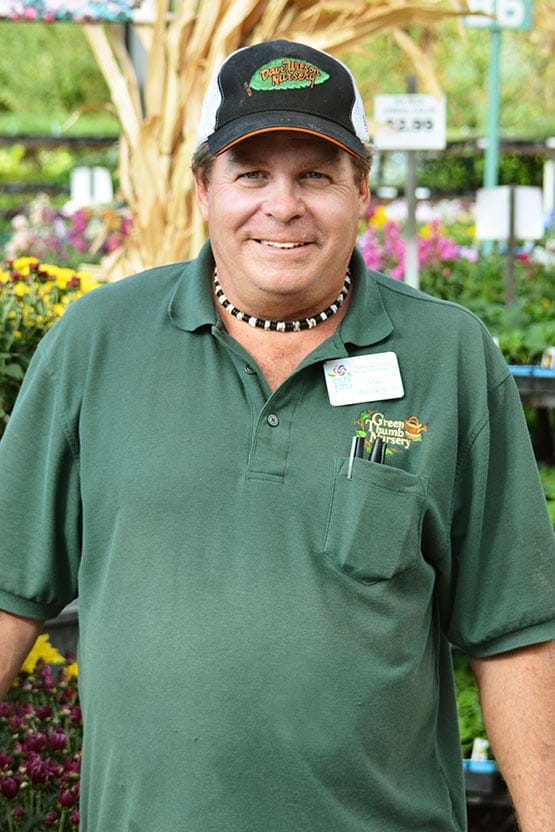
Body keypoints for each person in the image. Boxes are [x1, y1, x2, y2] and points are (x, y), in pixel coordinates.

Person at [0, 39, 553, 832]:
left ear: (361, 189)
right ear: (203, 188)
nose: (282, 205)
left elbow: (516, 636)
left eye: (315, 175)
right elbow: (8, 593)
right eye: (251, 173)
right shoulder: (98, 341)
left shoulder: (448, 356)